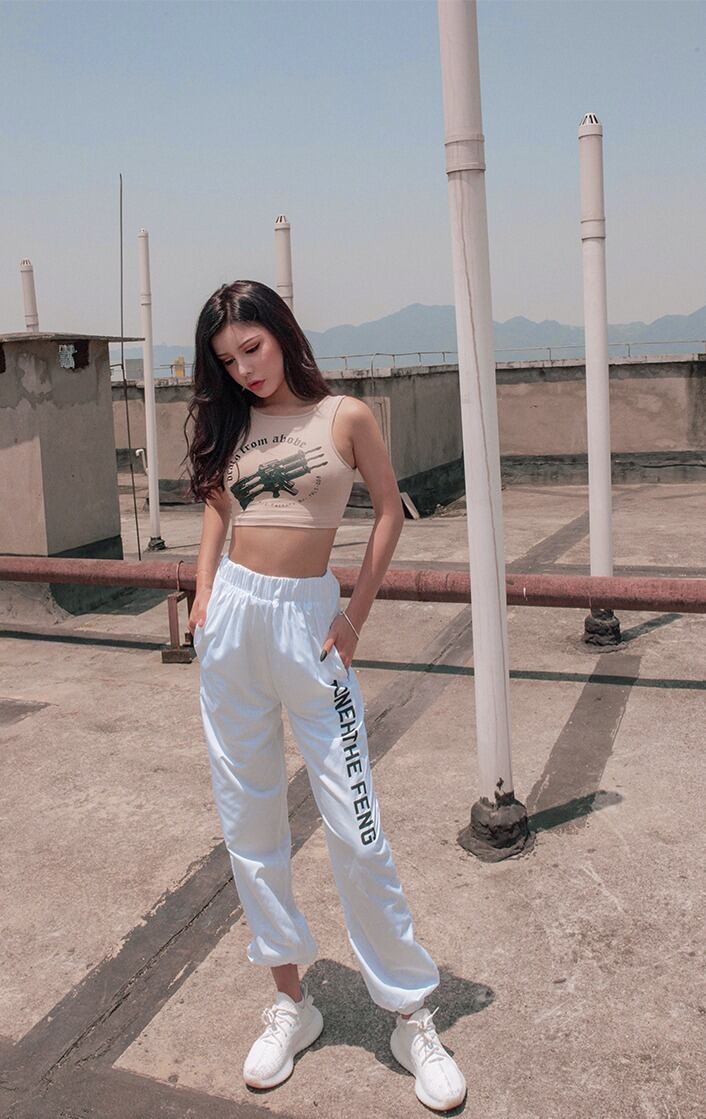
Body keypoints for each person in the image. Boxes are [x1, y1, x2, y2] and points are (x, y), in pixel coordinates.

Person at [185, 280, 466, 1112]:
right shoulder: (232, 423)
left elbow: (388, 512)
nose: (244, 369)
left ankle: (410, 1013)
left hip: (311, 624)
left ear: (281, 333)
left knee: (357, 824)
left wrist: (354, 616)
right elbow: (216, 506)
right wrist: (204, 594)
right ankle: (291, 1001)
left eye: (253, 348)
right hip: (234, 624)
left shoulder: (345, 416)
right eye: (228, 359)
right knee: (249, 821)